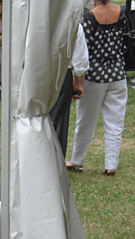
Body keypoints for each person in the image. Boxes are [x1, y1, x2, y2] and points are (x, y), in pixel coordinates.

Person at [68, 0, 129, 175]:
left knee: (86, 121)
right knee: (115, 123)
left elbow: (83, 49)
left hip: (94, 76)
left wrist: (78, 80)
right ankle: (111, 165)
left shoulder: (89, 17)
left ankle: (77, 160)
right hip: (117, 72)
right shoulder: (122, 12)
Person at [49, 24, 89, 157]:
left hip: (37, 72)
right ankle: (56, 160)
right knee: (59, 119)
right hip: (61, 72)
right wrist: (79, 82)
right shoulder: (72, 23)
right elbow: (80, 57)